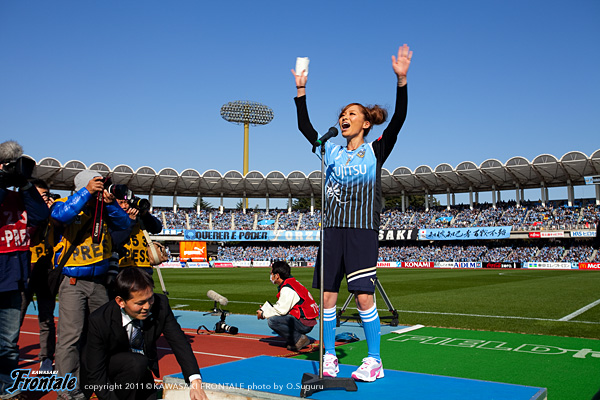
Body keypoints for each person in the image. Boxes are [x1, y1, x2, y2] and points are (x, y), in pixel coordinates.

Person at [291, 44, 412, 382]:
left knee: (362, 297)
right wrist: (301, 90)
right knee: (327, 298)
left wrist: (401, 81)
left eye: (352, 114)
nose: (344, 117)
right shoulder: (329, 149)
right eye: (342, 114)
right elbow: (304, 127)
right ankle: (329, 356)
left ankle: (374, 360)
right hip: (331, 230)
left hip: (361, 230)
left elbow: (399, 120)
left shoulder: (376, 151)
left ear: (365, 124)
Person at [51, 170, 131, 400]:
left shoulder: (103, 208)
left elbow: (124, 224)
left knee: (101, 335)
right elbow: (61, 216)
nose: (101, 186)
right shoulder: (63, 202)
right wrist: (86, 192)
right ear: (84, 184)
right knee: (70, 338)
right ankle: (66, 390)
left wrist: (111, 203)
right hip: (73, 282)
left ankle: (94, 383)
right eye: (97, 183)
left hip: (99, 283)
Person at [82, 267, 208, 400]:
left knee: (140, 369)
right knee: (136, 362)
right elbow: (96, 371)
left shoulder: (161, 305)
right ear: (121, 302)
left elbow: (179, 342)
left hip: (140, 369)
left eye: (150, 299)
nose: (147, 306)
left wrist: (195, 382)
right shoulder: (100, 320)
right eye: (140, 303)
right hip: (107, 373)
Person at [0, 140, 50, 399]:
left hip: (14, 279)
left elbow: (41, 216)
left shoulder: (20, 197)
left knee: (8, 345)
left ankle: (7, 390)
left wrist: (25, 183)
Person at [19, 178, 57, 373]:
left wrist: (51, 214)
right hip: (25, 269)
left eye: (45, 195)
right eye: (39, 195)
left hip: (47, 270)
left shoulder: (55, 215)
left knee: (46, 319)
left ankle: (46, 358)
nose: (43, 199)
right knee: (16, 316)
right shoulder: (23, 213)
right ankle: (9, 353)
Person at [256, 261, 318, 351]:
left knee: (272, 321)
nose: (271, 276)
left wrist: (263, 314)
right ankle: (295, 339)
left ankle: (299, 338)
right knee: (276, 316)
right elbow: (283, 306)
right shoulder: (291, 282)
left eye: (271, 274)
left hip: (304, 321)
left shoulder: (287, 288)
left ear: (277, 275)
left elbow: (281, 310)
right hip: (307, 319)